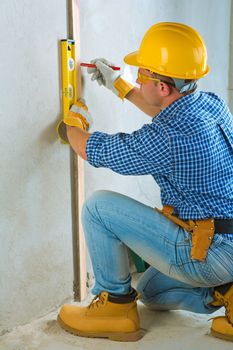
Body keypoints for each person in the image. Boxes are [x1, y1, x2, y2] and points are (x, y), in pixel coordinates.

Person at [57, 22, 233, 342]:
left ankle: (115, 306)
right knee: (151, 292)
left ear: (163, 86)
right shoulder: (211, 104)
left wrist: (72, 126)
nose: (137, 77)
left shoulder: (167, 136)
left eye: (143, 74)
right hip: (229, 246)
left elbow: (100, 151)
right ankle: (228, 294)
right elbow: (165, 110)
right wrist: (119, 85)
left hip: (206, 251)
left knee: (98, 208)